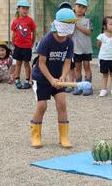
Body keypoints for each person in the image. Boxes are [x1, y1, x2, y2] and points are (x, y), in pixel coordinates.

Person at [30, 8, 77, 148]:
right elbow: (41, 63)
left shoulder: (69, 42)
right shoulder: (47, 40)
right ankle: (36, 136)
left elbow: (68, 63)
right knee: (42, 106)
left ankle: (64, 136)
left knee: (62, 103)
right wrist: (51, 79)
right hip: (41, 78)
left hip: (58, 77)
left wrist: (62, 77)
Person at [11, 0, 37, 89]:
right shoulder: (15, 21)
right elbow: (14, 33)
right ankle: (17, 79)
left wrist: (32, 42)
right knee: (18, 63)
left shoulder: (30, 21)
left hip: (27, 46)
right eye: (23, 8)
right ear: (18, 9)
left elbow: (34, 32)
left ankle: (27, 80)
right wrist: (12, 43)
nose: (25, 10)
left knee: (26, 64)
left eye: (27, 8)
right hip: (17, 46)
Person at [72, 0, 94, 96]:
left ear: (86, 9)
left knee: (87, 67)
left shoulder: (87, 20)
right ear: (74, 7)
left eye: (83, 7)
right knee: (77, 68)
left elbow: (88, 32)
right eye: (78, 6)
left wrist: (77, 25)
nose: (80, 9)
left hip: (86, 49)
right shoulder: (70, 20)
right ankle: (79, 86)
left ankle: (88, 87)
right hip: (76, 49)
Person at [97, 16, 112, 97]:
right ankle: (103, 89)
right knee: (105, 74)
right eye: (110, 24)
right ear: (104, 26)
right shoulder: (101, 36)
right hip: (103, 58)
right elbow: (98, 45)